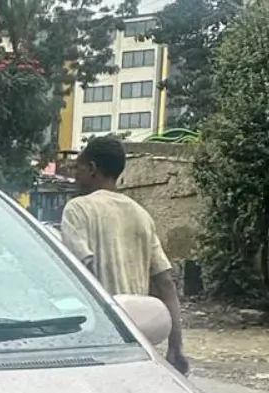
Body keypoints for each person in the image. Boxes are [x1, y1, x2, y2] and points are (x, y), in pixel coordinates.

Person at [60, 136, 190, 376]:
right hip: (139, 340)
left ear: (92, 169)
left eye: (77, 167)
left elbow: (79, 275)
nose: (74, 174)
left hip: (99, 339)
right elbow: (165, 284)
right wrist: (176, 347)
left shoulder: (77, 209)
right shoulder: (141, 214)